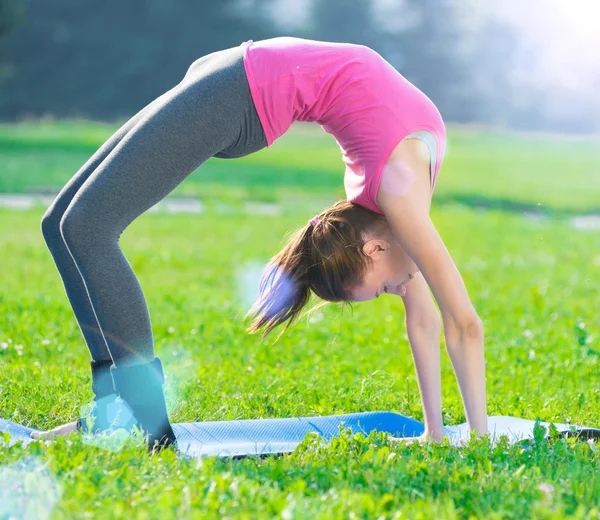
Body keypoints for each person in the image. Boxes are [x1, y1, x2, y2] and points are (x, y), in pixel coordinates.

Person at [32, 36, 487, 450]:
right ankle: (140, 419)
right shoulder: (398, 196)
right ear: (373, 251)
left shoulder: (391, 212)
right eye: (384, 289)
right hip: (240, 91)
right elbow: (464, 324)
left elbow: (425, 322)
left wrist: (435, 431)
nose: (400, 289)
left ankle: (118, 414)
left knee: (76, 227)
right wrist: (481, 442)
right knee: (73, 227)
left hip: (238, 77)